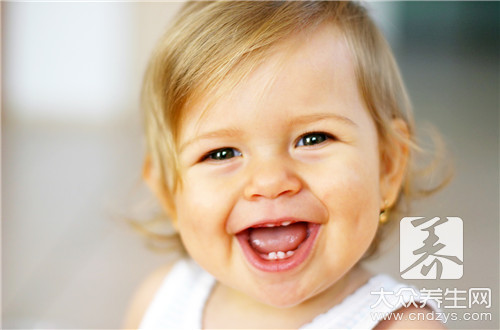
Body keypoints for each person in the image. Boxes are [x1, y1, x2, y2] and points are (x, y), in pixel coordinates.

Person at [125, 1, 447, 328]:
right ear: (169, 194)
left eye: (313, 139)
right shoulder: (159, 300)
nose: (270, 181)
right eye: (221, 153)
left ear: (387, 167)